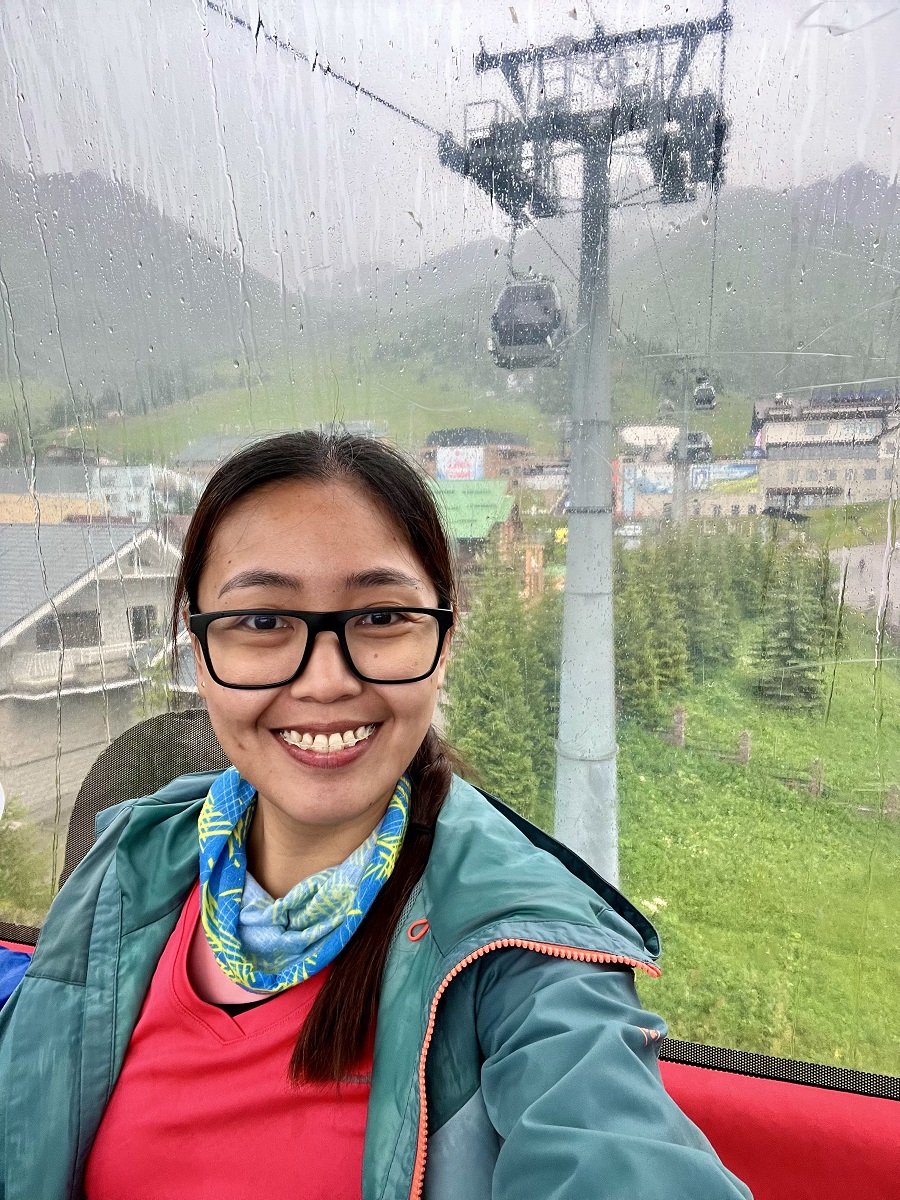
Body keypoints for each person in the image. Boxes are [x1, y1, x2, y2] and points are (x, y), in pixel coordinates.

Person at [0, 431, 751, 1200]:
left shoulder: (519, 954)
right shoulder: (127, 866)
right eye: (262, 622)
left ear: (444, 640)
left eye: (382, 616)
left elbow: (614, 1148)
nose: (325, 682)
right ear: (198, 653)